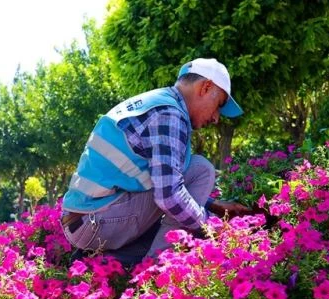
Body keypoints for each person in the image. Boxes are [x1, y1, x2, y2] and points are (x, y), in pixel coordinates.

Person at [60, 57, 252, 266]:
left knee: (176, 224)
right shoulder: (170, 114)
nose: (216, 118)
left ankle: (103, 261)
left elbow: (154, 181)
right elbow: (169, 195)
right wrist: (213, 227)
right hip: (96, 222)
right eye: (219, 105)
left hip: (84, 221)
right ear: (206, 87)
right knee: (200, 170)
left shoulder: (158, 102)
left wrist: (213, 205)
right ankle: (155, 270)